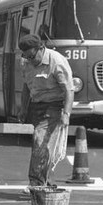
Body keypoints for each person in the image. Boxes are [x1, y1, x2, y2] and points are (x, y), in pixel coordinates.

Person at [17, 34, 74, 192]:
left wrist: (66, 114)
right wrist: (23, 108)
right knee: (43, 146)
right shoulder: (26, 63)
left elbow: (69, 90)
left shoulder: (57, 61)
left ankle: (36, 184)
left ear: (41, 48)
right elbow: (26, 88)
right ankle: (46, 182)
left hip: (54, 106)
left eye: (32, 56)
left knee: (40, 140)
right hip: (36, 106)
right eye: (26, 56)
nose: (30, 60)